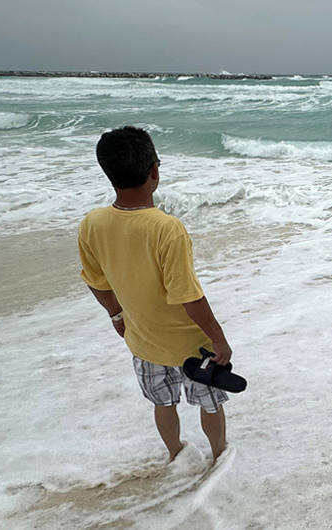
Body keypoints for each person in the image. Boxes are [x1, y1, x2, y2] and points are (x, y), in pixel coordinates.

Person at [78, 126, 233, 463]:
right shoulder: (166, 228)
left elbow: (95, 281)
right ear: (154, 171)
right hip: (191, 347)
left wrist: (116, 314)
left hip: (142, 341)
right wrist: (218, 338)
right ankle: (219, 455)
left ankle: (176, 454)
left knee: (162, 402)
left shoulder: (93, 223)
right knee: (210, 402)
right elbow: (187, 296)